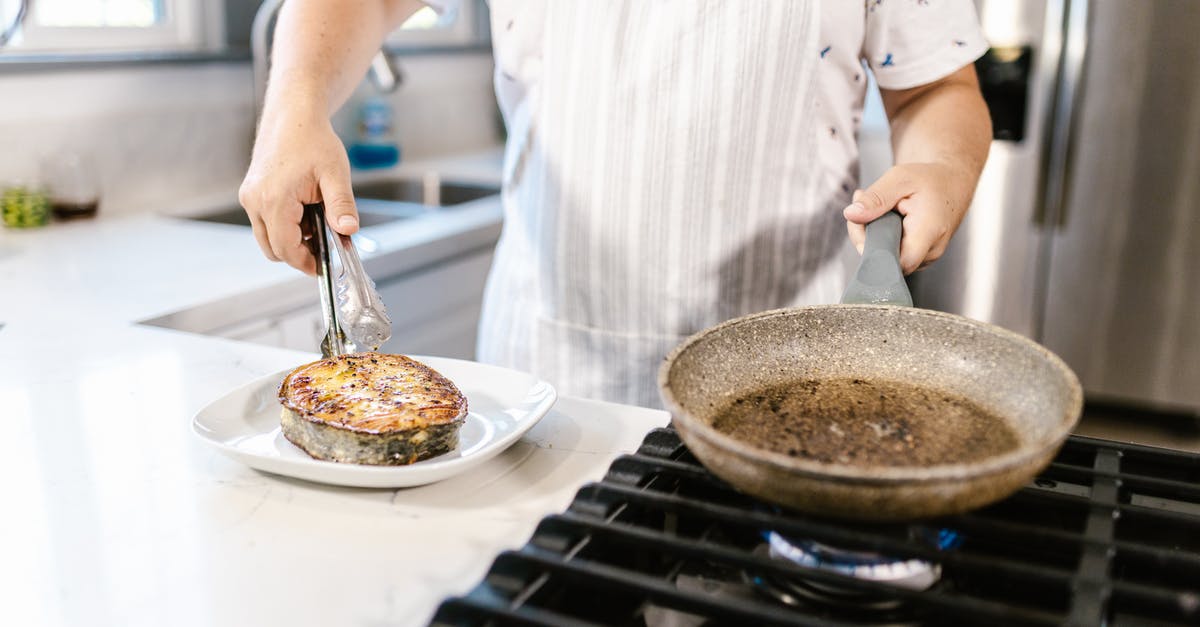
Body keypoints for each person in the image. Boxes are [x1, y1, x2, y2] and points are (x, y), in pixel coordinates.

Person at [240, 0, 991, 408]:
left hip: (790, 375)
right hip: (551, 377)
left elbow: (934, 86)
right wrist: (294, 108)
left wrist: (940, 165)